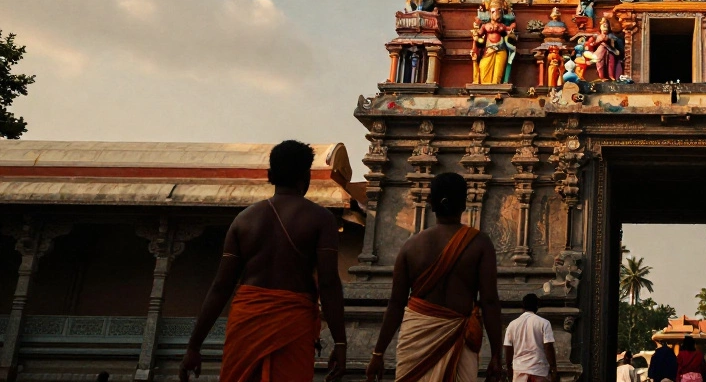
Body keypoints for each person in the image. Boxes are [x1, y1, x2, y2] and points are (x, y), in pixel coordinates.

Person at [180, 140, 346, 382]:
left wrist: (193, 346)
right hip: (292, 323)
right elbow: (329, 283)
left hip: (246, 323)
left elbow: (221, 287)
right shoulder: (321, 219)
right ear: (305, 176)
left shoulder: (244, 220)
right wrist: (340, 343)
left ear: (270, 175)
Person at [365, 172, 503, 382]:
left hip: (416, 340)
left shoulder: (410, 246)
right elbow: (490, 302)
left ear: (431, 203)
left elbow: (395, 304)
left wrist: (378, 354)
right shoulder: (480, 244)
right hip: (458, 338)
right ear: (464, 203)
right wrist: (496, 355)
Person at [504, 293, 556, 382]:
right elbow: (548, 346)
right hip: (539, 370)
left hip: (519, 370)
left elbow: (508, 348)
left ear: (523, 307)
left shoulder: (512, 325)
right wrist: (553, 368)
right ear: (537, 306)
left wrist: (509, 367)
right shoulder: (544, 323)